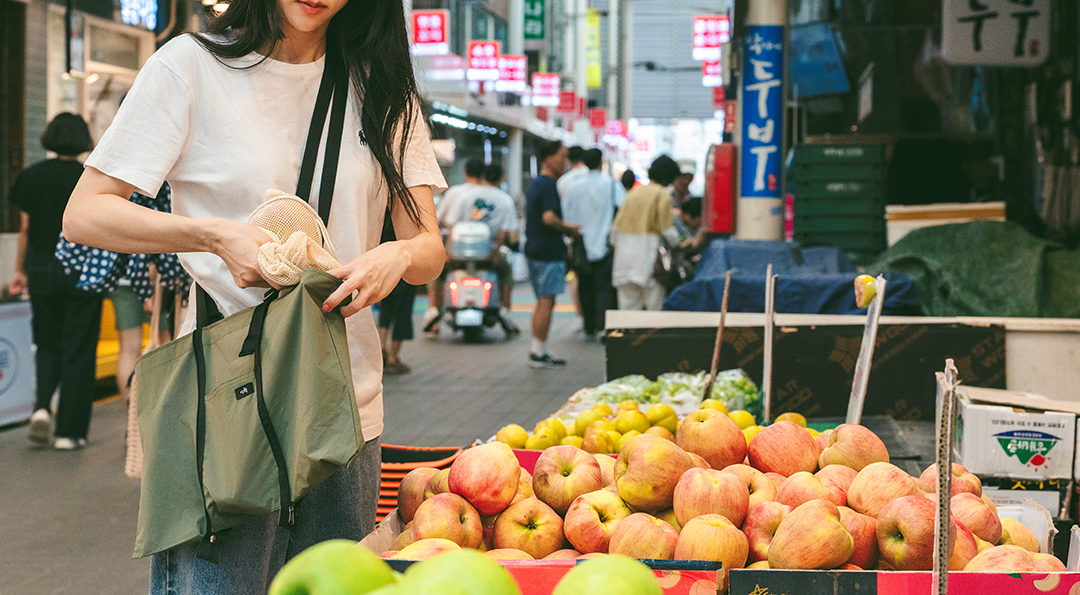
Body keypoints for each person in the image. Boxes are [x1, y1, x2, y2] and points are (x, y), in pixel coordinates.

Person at [62, 0, 447, 588]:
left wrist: (397, 253)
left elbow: (428, 251)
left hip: (345, 409)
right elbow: (86, 215)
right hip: (227, 405)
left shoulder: (385, 88)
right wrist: (213, 235)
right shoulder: (189, 67)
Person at [7, 113, 103, 451]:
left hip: (43, 268)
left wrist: (20, 271)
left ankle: (42, 407)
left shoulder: (31, 176)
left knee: (46, 342)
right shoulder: (89, 179)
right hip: (83, 269)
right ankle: (69, 432)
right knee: (79, 347)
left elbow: (25, 229)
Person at [524, 140, 579, 368]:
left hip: (535, 249)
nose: (565, 161)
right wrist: (570, 230)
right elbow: (549, 217)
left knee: (542, 300)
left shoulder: (537, 183)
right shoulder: (548, 185)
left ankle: (539, 348)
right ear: (548, 157)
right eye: (561, 156)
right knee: (547, 300)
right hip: (547, 251)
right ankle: (537, 350)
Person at [561, 148, 624, 338]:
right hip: (606, 243)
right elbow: (621, 212)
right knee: (605, 286)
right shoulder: (612, 185)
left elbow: (567, 215)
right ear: (601, 162)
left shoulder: (573, 186)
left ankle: (588, 326)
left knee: (584, 285)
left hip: (580, 241)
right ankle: (604, 326)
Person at [424, 157, 487, 333]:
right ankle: (505, 311)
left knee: (435, 274)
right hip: (485, 254)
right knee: (505, 271)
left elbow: (441, 221)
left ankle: (434, 313)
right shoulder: (490, 193)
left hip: (454, 252)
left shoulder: (454, 193)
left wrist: (445, 251)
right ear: (483, 174)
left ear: (465, 173)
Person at [612, 155, 682, 311]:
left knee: (628, 312)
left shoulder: (632, 194)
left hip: (623, 261)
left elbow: (614, 232)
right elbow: (667, 230)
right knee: (653, 310)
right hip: (648, 260)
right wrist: (680, 243)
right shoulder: (662, 194)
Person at [377, 281, 417, 374]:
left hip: (387, 275)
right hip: (406, 276)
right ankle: (392, 358)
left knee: (385, 308)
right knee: (403, 312)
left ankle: (382, 352)